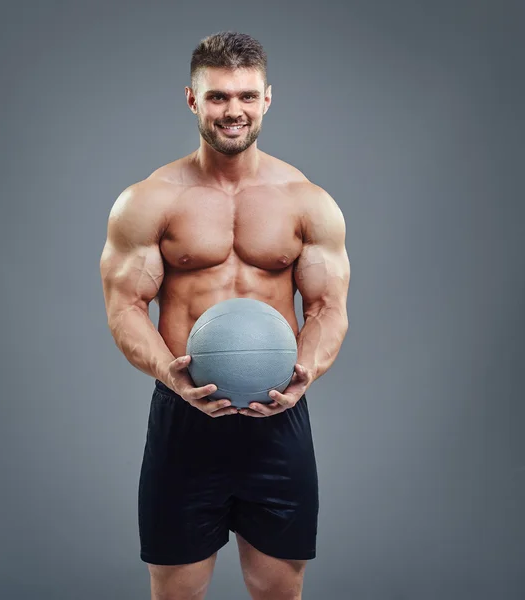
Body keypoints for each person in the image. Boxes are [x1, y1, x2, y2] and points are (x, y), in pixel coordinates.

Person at [100, 31, 350, 600]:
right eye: (217, 97)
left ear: (267, 99)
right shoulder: (149, 201)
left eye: (245, 96)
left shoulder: (306, 200)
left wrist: (305, 372)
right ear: (193, 100)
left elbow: (329, 307)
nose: (232, 110)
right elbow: (125, 307)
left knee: (277, 591)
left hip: (277, 419)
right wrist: (170, 375)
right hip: (185, 417)